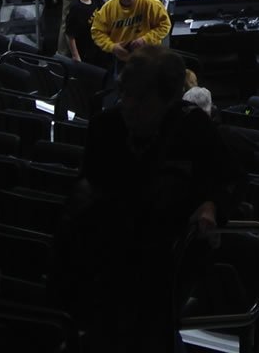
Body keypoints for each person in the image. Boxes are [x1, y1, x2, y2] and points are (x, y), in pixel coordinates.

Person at [68, 45, 237, 351]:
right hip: (109, 260)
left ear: (169, 100)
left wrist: (211, 205)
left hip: (165, 261)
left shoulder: (195, 128)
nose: (127, 105)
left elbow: (227, 181)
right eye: (123, 93)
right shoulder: (105, 127)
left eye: (140, 98)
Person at [91, 0, 171, 63]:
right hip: (124, 57)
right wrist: (112, 47)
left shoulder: (151, 3)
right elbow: (97, 32)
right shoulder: (108, 8)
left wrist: (145, 39)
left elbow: (165, 25)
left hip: (150, 54)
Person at [64, 0, 111, 66]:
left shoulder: (96, 0)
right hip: (86, 51)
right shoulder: (76, 9)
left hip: (99, 45)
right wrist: (75, 55)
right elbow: (70, 35)